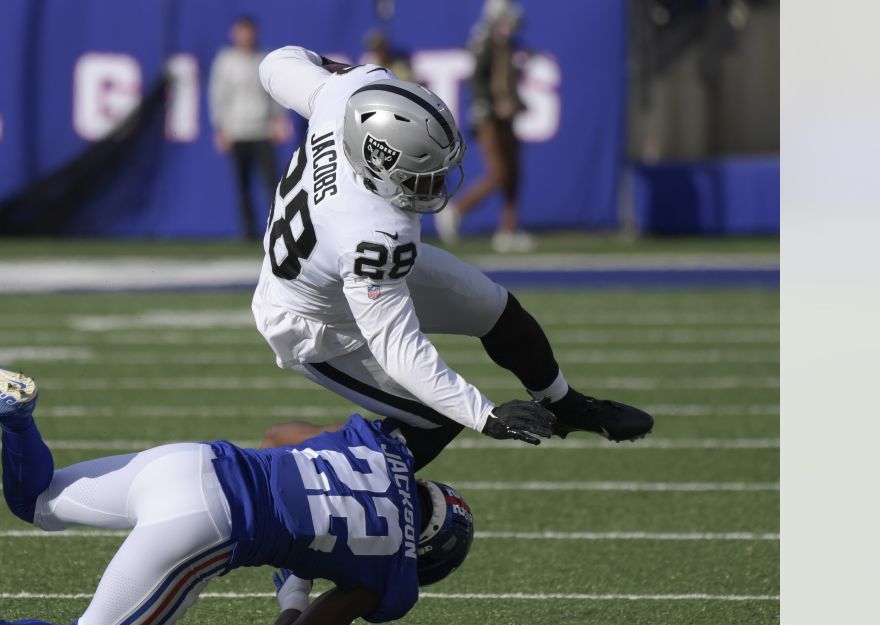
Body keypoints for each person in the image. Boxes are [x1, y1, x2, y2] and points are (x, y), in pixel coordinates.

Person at [0, 346, 479, 625]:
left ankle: (17, 418)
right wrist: (294, 591)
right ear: (427, 555)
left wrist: (307, 535)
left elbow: (276, 434)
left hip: (193, 461)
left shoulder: (384, 451)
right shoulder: (392, 579)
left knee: (34, 499)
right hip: (209, 526)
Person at [251, 45, 653, 471]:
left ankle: (565, 405)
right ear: (379, 165)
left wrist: (333, 70)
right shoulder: (373, 232)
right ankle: (294, 469)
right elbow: (400, 350)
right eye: (424, 178)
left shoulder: (353, 93)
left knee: (496, 310)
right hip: (314, 323)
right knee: (438, 417)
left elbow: (276, 62)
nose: (439, 186)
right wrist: (485, 415)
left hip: (331, 264)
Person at [435, 0, 533, 252]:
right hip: (489, 117)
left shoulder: (505, 41)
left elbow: (506, 79)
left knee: (514, 173)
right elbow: (478, 80)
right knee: (499, 173)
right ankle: (457, 210)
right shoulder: (484, 39)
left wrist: (516, 101)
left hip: (505, 116)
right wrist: (491, 105)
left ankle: (508, 229)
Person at [208, 16, 285, 240]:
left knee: (272, 183)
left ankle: (277, 229)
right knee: (242, 185)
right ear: (234, 34)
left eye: (249, 32)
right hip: (237, 131)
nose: (246, 37)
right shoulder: (226, 61)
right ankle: (248, 233)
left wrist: (278, 120)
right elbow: (218, 95)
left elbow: (274, 92)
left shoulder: (264, 58)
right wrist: (221, 128)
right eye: (242, 32)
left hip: (262, 129)